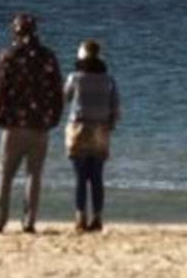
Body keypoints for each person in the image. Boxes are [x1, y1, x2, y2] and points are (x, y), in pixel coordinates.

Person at [0, 13, 64, 233]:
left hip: (13, 123)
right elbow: (56, 91)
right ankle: (29, 221)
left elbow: (2, 88)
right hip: (40, 123)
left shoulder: (8, 55)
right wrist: (54, 117)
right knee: (34, 175)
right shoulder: (48, 56)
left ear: (16, 31)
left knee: (5, 174)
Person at [63, 39, 120, 232]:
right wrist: (109, 126)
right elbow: (116, 108)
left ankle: (80, 218)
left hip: (78, 128)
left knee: (80, 177)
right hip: (100, 129)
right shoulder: (109, 79)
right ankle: (97, 218)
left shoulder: (75, 77)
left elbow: (65, 98)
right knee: (96, 177)